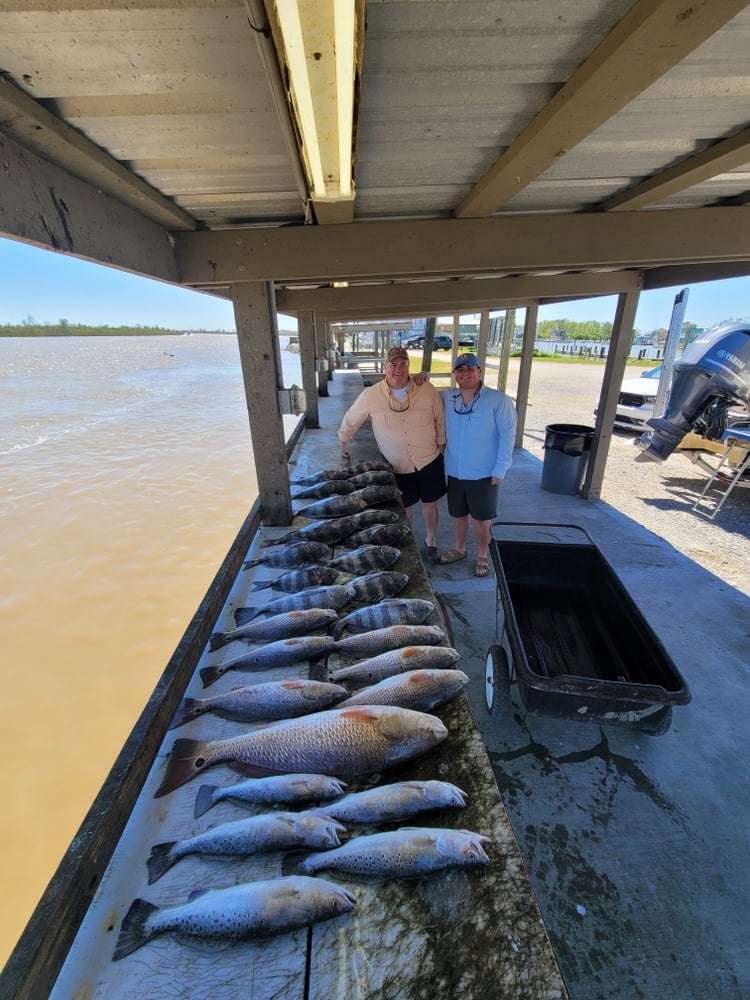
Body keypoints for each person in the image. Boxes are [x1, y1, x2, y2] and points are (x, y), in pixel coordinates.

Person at [338, 346, 446, 561]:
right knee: (403, 507)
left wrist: (441, 446)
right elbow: (352, 418)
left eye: (403, 364)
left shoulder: (426, 389)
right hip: (397, 464)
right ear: (384, 367)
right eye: (393, 364)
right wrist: (343, 441)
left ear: (409, 366)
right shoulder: (371, 395)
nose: (398, 369)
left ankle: (431, 541)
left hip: (429, 459)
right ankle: (407, 542)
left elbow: (439, 419)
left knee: (430, 503)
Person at [439, 353, 517, 577]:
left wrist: (500, 468)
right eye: (460, 369)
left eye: (470, 369)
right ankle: (459, 549)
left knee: (482, 521)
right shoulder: (447, 397)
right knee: (458, 515)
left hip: (484, 473)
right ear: (455, 374)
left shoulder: (498, 401)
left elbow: (507, 436)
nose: (465, 373)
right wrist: (420, 379)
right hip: (455, 471)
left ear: (479, 371)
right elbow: (422, 397)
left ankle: (483, 555)